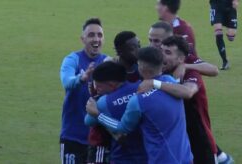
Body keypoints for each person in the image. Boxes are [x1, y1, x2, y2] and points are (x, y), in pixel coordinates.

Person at [87, 47, 193, 164]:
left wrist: (98, 114)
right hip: (186, 158)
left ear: (141, 68)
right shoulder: (170, 83)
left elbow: (122, 128)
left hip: (161, 160)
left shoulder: (138, 100)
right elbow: (185, 91)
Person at [139, 36, 218, 164]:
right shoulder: (157, 69)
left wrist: (155, 83)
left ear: (181, 59)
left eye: (168, 53)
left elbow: (188, 91)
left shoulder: (190, 72)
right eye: (161, 50)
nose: (162, 55)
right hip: (177, 143)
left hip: (199, 140)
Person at [86, 31, 141, 164]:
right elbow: (95, 111)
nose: (139, 51)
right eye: (134, 48)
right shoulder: (106, 72)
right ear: (120, 51)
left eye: (139, 45)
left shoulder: (142, 70)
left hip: (132, 144)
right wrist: (115, 133)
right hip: (103, 141)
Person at [59, 18, 108, 164]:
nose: (96, 39)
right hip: (72, 136)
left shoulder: (108, 63)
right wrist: (82, 77)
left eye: (99, 35)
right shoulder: (72, 59)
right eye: (91, 35)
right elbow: (67, 82)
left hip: (98, 139)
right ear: (83, 39)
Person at [148, 21, 219, 77]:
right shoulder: (147, 55)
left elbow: (214, 70)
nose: (151, 45)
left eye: (156, 41)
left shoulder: (180, 56)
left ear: (169, 39)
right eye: (150, 40)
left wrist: (185, 66)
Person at [210, 0, 239, 70]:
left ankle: (227, 23)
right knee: (218, 33)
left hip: (229, 5)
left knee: (231, 37)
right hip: (216, 6)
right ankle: (225, 61)